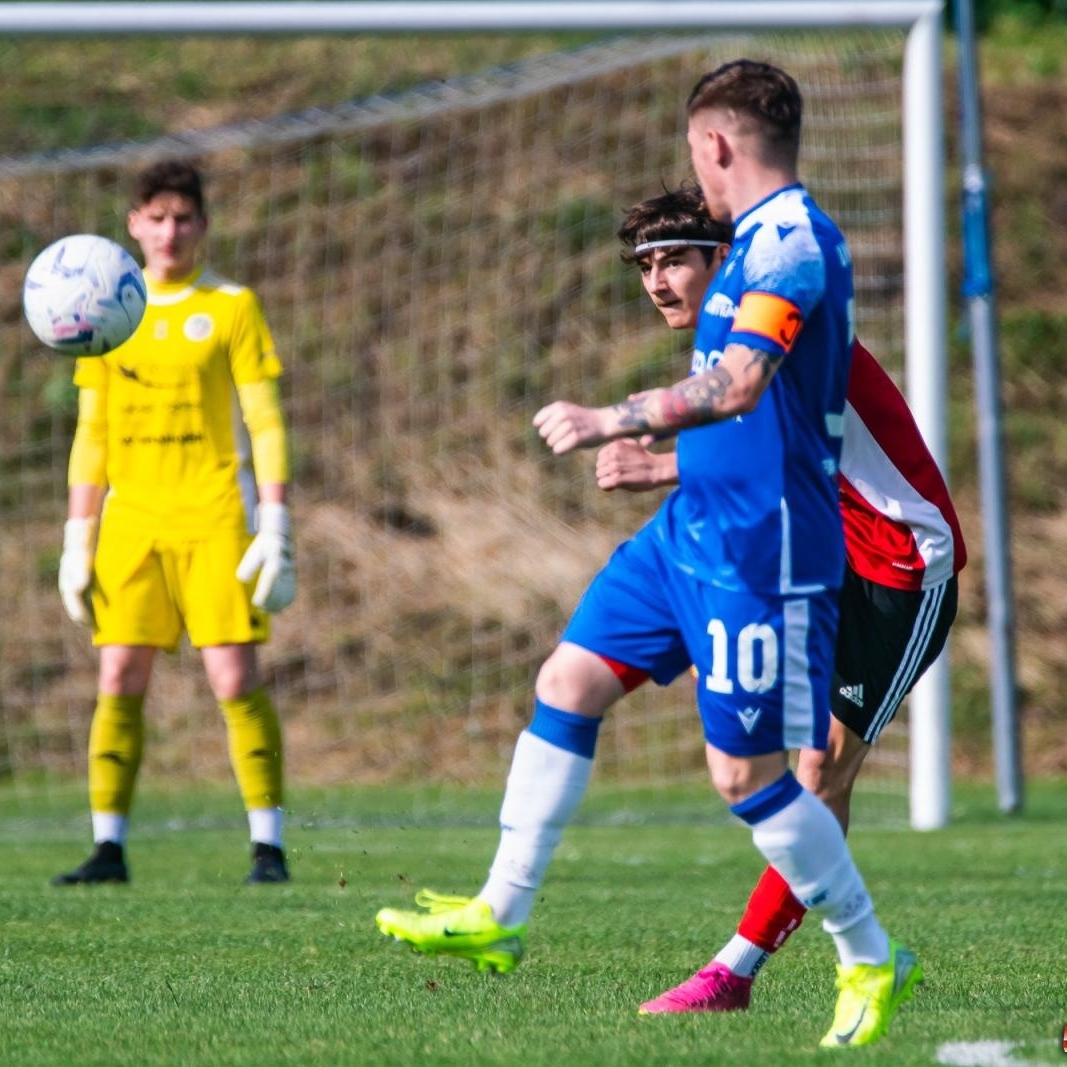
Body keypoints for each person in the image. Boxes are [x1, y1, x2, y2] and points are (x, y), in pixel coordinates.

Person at [376, 60, 921, 1048]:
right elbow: (747, 411)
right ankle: (499, 911)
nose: (661, 274)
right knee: (567, 677)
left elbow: (741, 387)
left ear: (714, 145)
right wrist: (668, 465)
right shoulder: (751, 242)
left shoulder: (790, 246)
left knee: (748, 780)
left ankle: (868, 951)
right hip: (688, 534)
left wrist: (605, 416)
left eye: (693, 157)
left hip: (764, 557)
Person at [598, 185, 966, 1015]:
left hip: (899, 567)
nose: (657, 281)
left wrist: (654, 460)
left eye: (674, 261)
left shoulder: (777, 325)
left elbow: (776, 455)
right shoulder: (733, 336)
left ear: (720, 259)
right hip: (826, 553)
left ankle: (736, 972)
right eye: (644, 266)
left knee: (820, 770)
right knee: (756, 759)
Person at [53, 159, 297, 887]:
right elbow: (90, 433)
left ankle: (269, 846)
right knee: (119, 675)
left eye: (184, 218)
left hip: (215, 511)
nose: (170, 231)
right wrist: (77, 537)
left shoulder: (230, 305)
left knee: (233, 675)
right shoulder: (100, 309)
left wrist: (276, 523)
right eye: (155, 218)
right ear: (133, 224)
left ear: (203, 226)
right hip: (132, 518)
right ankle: (107, 847)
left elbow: (265, 419)